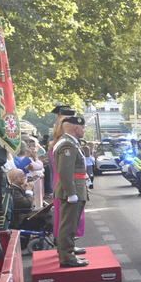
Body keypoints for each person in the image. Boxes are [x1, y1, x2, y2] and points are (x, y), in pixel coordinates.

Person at [51, 110, 89, 267]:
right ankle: (67, 257)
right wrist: (71, 193)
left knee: (70, 223)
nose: (84, 130)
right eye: (82, 127)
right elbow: (65, 172)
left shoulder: (69, 142)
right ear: (75, 128)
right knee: (68, 224)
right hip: (72, 189)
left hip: (76, 186)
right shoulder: (68, 144)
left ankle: (68, 250)